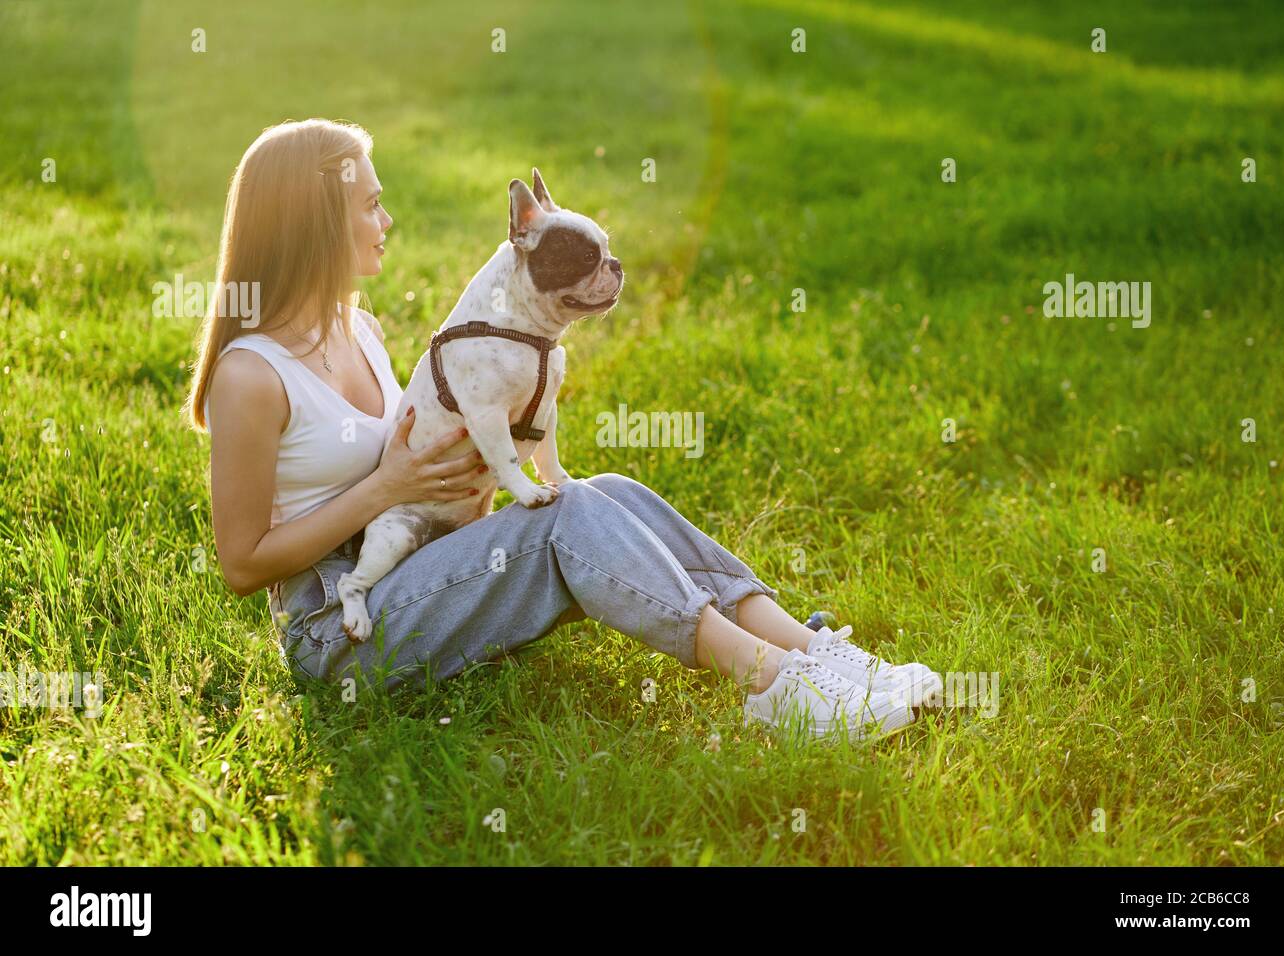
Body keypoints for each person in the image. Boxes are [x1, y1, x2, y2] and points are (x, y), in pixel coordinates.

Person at [183, 119, 943, 741]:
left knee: (602, 490)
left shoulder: (362, 328)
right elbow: (243, 566)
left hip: (423, 560)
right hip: (338, 635)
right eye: (371, 206)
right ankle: (774, 687)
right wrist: (388, 488)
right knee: (564, 517)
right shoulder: (252, 375)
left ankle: (820, 656)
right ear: (315, 220)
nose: (388, 221)